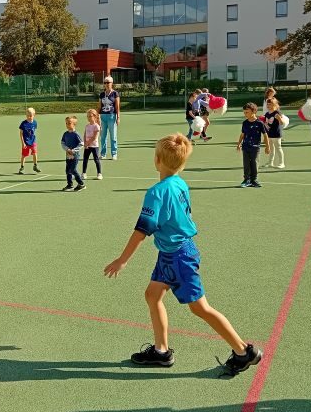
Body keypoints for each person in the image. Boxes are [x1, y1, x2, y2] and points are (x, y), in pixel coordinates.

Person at [102, 133, 263, 374]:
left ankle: (244, 351)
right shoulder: (180, 183)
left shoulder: (157, 192)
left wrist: (122, 260)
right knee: (153, 295)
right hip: (172, 252)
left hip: (178, 256)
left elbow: (142, 230)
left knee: (200, 308)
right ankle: (161, 352)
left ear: (157, 160)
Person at [237, 103, 271, 188]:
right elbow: (242, 134)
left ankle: (254, 180)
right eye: (244, 112)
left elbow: (265, 135)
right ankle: (246, 180)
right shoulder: (245, 123)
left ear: (253, 112)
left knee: (254, 163)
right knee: (246, 164)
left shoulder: (260, 123)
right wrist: (239, 144)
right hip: (245, 147)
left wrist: (267, 146)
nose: (245, 114)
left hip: (255, 148)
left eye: (247, 112)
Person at [61, 116, 85, 192]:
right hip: (68, 155)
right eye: (66, 123)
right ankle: (70, 185)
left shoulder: (76, 134)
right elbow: (62, 143)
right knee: (68, 170)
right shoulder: (65, 134)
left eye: (69, 123)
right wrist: (67, 149)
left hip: (75, 155)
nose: (67, 125)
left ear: (74, 124)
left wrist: (74, 150)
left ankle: (81, 184)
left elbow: (81, 144)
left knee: (73, 169)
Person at [98, 76, 120, 160]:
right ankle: (103, 154)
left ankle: (114, 153)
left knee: (113, 136)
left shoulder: (115, 94)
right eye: (105, 83)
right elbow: (99, 106)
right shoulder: (102, 94)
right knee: (103, 136)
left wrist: (118, 117)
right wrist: (97, 116)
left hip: (112, 116)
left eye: (108, 82)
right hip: (103, 117)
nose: (106, 84)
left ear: (112, 83)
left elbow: (117, 106)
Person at [263, 97, 286, 169]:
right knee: (271, 149)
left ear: (275, 104)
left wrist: (279, 119)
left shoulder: (277, 113)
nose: (268, 106)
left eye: (270, 104)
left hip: (276, 134)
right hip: (269, 134)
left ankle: (281, 163)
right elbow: (266, 124)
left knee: (278, 148)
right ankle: (270, 163)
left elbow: (282, 123)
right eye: (267, 104)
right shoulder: (267, 114)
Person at [18, 107, 41, 174]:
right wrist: (23, 143)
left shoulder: (35, 123)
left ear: (34, 115)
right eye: (27, 115)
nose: (29, 117)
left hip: (33, 141)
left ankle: (35, 166)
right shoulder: (23, 124)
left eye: (30, 116)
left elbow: (33, 131)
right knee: (24, 155)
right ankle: (22, 167)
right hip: (26, 142)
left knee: (35, 153)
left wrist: (32, 139)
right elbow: (21, 134)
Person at [81, 109, 102, 180]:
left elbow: (94, 137)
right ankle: (84, 173)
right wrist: (85, 143)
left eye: (90, 116)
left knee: (96, 159)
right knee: (85, 159)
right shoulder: (87, 126)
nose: (89, 118)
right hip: (87, 146)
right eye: (88, 116)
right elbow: (85, 135)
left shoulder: (96, 126)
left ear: (95, 117)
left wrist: (87, 143)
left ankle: (99, 173)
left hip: (94, 146)